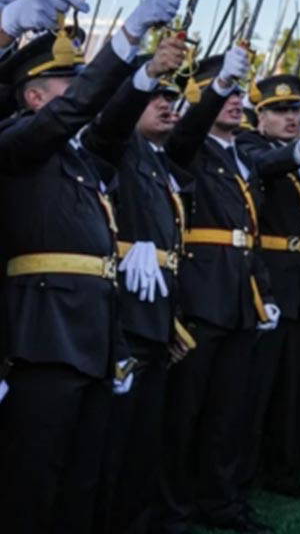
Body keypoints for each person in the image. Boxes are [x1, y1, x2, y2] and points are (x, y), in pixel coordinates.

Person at [0, 0, 180, 532]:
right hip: (43, 338)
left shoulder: (78, 160)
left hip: (94, 337)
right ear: (33, 96)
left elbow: (107, 123)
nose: (80, 95)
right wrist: (125, 37)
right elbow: (76, 113)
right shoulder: (17, 142)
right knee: (34, 484)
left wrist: (145, 75)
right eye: (65, 84)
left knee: (82, 482)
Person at [156, 45, 280, 533]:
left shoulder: (242, 156)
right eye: (218, 94)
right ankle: (175, 508)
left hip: (240, 296)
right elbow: (186, 131)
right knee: (186, 411)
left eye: (234, 94)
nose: (232, 103)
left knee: (231, 411)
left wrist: (262, 290)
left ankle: (223, 502)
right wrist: (219, 85)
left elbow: (250, 233)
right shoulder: (186, 145)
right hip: (201, 295)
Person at [87, 37, 193, 533]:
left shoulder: (154, 158)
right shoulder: (117, 145)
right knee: (116, 435)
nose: (167, 105)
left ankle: (139, 518)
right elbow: (108, 127)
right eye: (157, 98)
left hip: (157, 312)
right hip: (124, 313)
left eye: (171, 99)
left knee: (146, 433)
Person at [236, 75, 300, 501]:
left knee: (291, 387)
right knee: (256, 388)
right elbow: (268, 166)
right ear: (259, 116)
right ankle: (242, 473)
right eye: (280, 111)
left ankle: (284, 468)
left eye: (296, 111)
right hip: (268, 280)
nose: (291, 118)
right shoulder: (248, 146)